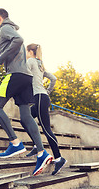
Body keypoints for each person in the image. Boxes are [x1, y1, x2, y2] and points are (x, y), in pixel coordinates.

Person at [0, 8, 53, 176]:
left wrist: (1, 58)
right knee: (25, 116)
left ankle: (15, 143)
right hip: (26, 78)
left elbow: (19, 40)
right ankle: (42, 153)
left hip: (15, 75)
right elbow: (16, 45)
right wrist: (1, 54)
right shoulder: (9, 29)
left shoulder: (4, 28)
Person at [24, 43, 67, 175]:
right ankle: (37, 145)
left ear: (31, 52)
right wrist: (47, 91)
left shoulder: (30, 61)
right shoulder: (40, 64)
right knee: (26, 118)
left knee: (46, 129)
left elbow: (21, 72)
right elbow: (53, 78)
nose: (26, 54)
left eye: (26, 51)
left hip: (40, 98)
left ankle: (59, 158)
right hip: (42, 97)